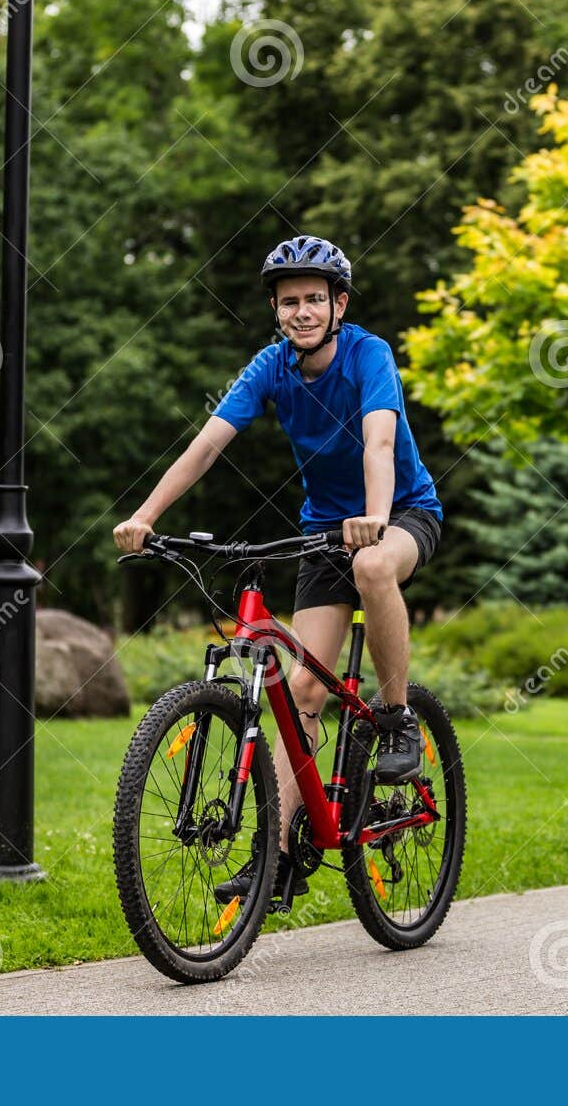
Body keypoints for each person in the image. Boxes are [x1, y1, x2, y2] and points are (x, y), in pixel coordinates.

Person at [112, 234, 443, 905]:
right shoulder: (270, 367)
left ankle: (399, 717)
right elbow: (206, 446)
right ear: (276, 309)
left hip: (402, 511)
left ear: (338, 304)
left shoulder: (368, 354)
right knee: (300, 694)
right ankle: (286, 852)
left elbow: (379, 439)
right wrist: (143, 516)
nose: (301, 311)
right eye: (289, 301)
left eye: (314, 299)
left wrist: (376, 516)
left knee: (375, 568)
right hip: (323, 530)